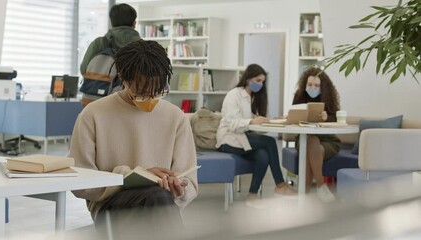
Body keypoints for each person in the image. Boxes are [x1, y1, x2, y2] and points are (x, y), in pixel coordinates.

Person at [70, 40, 198, 237]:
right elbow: (80, 182)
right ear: (123, 78)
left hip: (162, 204)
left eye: (157, 91)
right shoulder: (93, 114)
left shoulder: (175, 117)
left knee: (158, 197)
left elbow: (189, 181)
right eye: (142, 92)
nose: (150, 98)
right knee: (155, 197)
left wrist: (179, 188)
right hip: (111, 206)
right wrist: (131, 175)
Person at [216, 63, 295, 204]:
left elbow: (256, 126)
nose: (261, 84)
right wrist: (253, 121)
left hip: (244, 139)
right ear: (248, 78)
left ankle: (252, 194)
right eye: (258, 81)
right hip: (228, 139)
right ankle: (280, 184)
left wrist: (269, 121)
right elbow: (233, 125)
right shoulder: (234, 95)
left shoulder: (253, 97)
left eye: (263, 82)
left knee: (263, 155)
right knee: (270, 142)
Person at [292, 67, 341, 203]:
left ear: (322, 86)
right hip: (303, 138)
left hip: (328, 141)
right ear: (305, 84)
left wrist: (327, 117)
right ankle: (321, 185)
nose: (313, 87)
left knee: (310, 147)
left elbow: (336, 120)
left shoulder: (329, 97)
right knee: (310, 141)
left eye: (316, 85)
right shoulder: (299, 96)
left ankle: (304, 198)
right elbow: (294, 118)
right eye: (310, 85)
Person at [80, 3, 141, 106]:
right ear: (134, 23)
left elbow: (84, 70)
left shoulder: (99, 43)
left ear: (111, 22)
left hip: (96, 102)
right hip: (129, 103)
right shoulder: (143, 47)